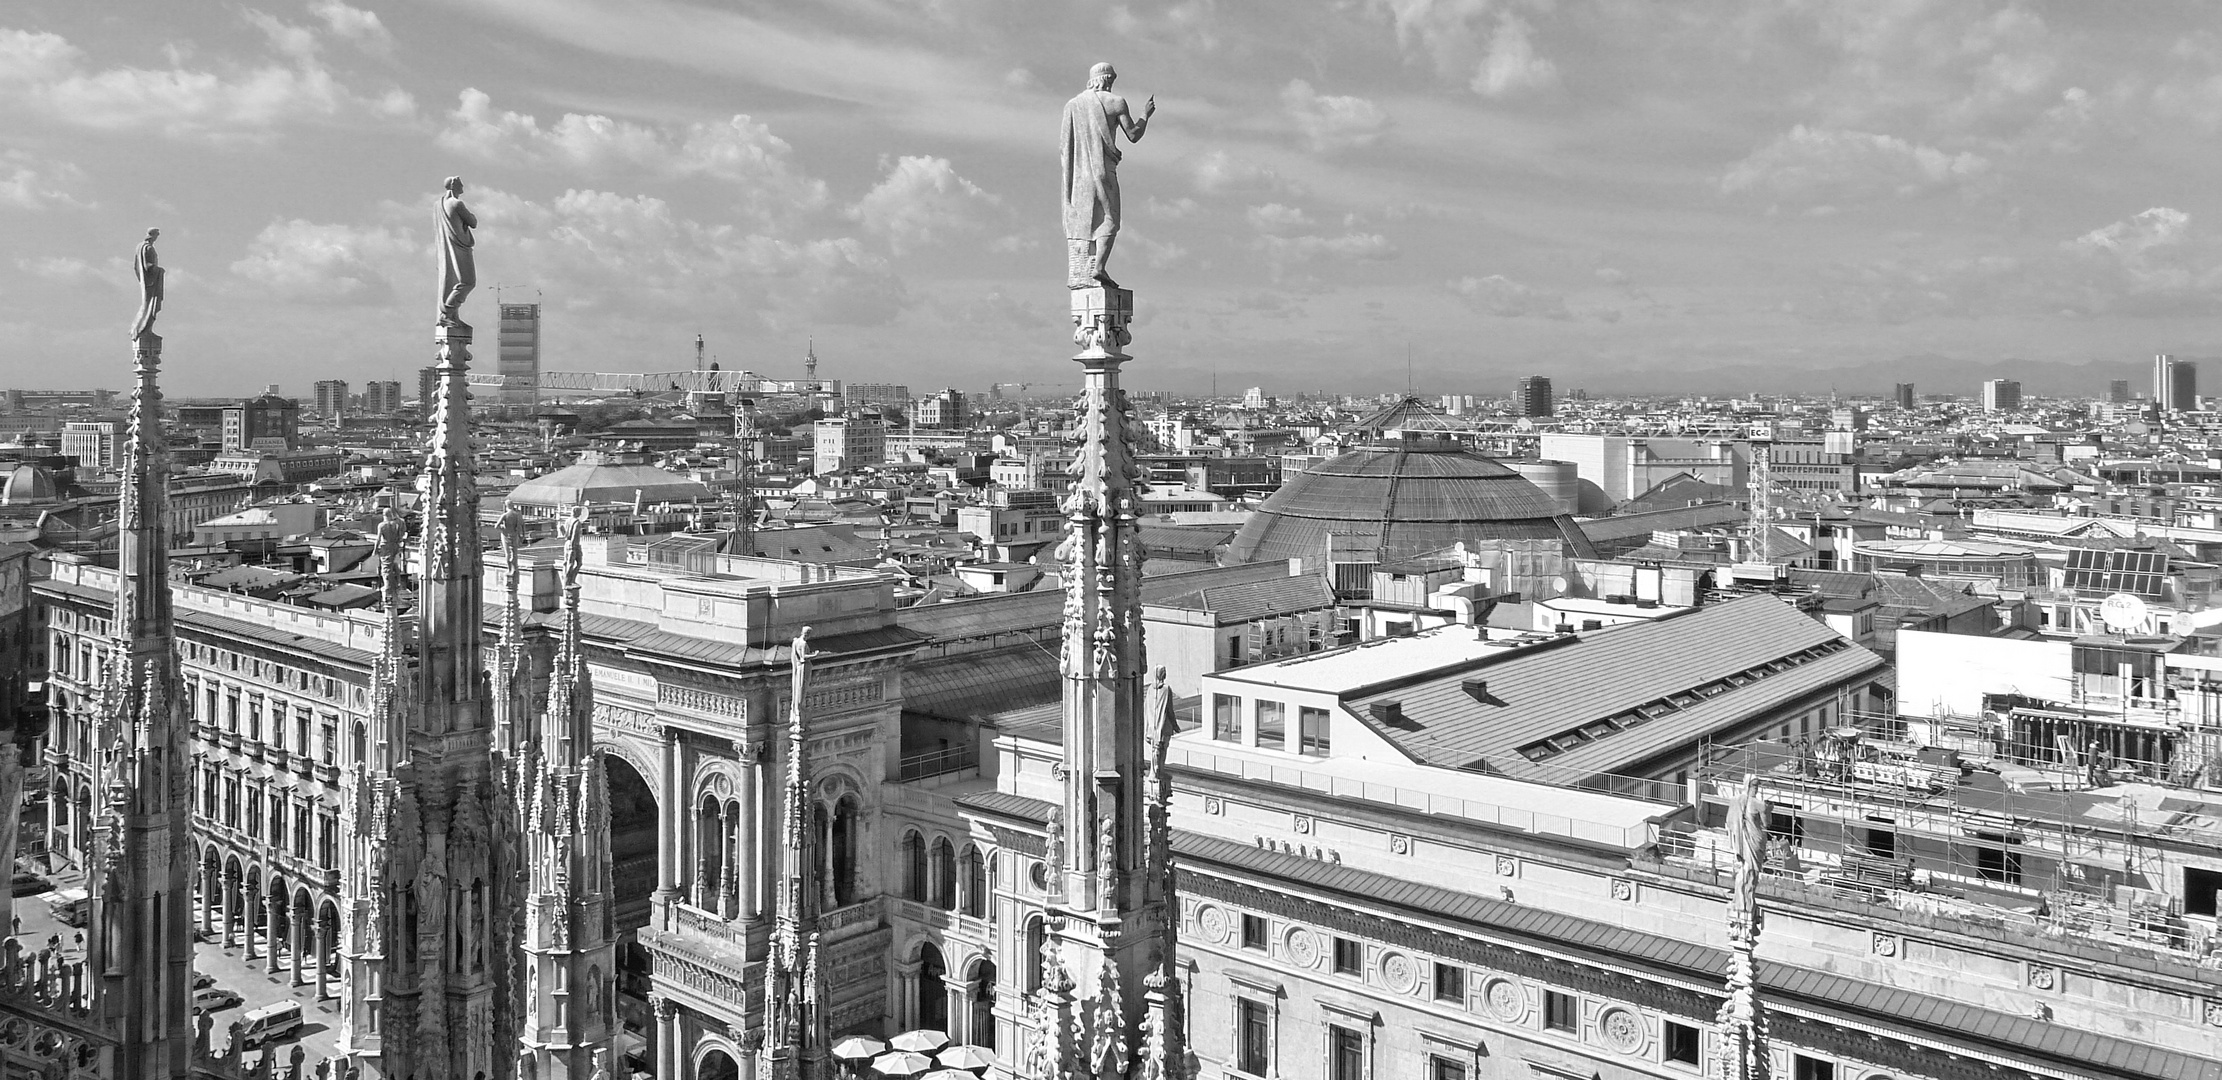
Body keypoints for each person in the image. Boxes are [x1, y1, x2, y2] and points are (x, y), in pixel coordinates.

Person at [1060, 63, 1154, 288]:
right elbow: (1133, 135)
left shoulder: (1073, 105)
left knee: (1084, 221)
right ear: (1108, 79)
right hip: (1104, 170)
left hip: (1079, 174)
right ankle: (1098, 267)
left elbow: (1064, 146)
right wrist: (1145, 115)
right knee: (1110, 220)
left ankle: (1083, 269)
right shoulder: (1116, 102)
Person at [436, 177, 477, 327]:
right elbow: (473, 222)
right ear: (454, 185)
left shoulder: (439, 205)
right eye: (461, 184)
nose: (463, 186)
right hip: (460, 247)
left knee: (453, 282)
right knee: (468, 282)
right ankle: (447, 312)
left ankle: (452, 316)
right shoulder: (456, 203)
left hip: (447, 248)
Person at [131, 228, 163, 340]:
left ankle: (140, 328)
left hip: (145, 281)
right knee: (150, 305)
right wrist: (160, 271)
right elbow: (148, 266)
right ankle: (143, 329)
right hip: (151, 282)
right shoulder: (148, 248)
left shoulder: (140, 246)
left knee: (146, 304)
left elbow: (136, 266)